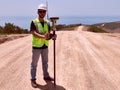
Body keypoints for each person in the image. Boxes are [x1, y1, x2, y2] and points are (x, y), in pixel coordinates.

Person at [30, 3, 56, 88]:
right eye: (40, 11)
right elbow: (34, 33)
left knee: (45, 63)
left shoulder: (47, 23)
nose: (42, 13)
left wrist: (53, 36)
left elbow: (48, 34)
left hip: (45, 46)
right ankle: (33, 80)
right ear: (37, 12)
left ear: (45, 13)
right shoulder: (34, 22)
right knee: (34, 64)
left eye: (43, 11)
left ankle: (46, 76)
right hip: (36, 47)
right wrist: (43, 37)